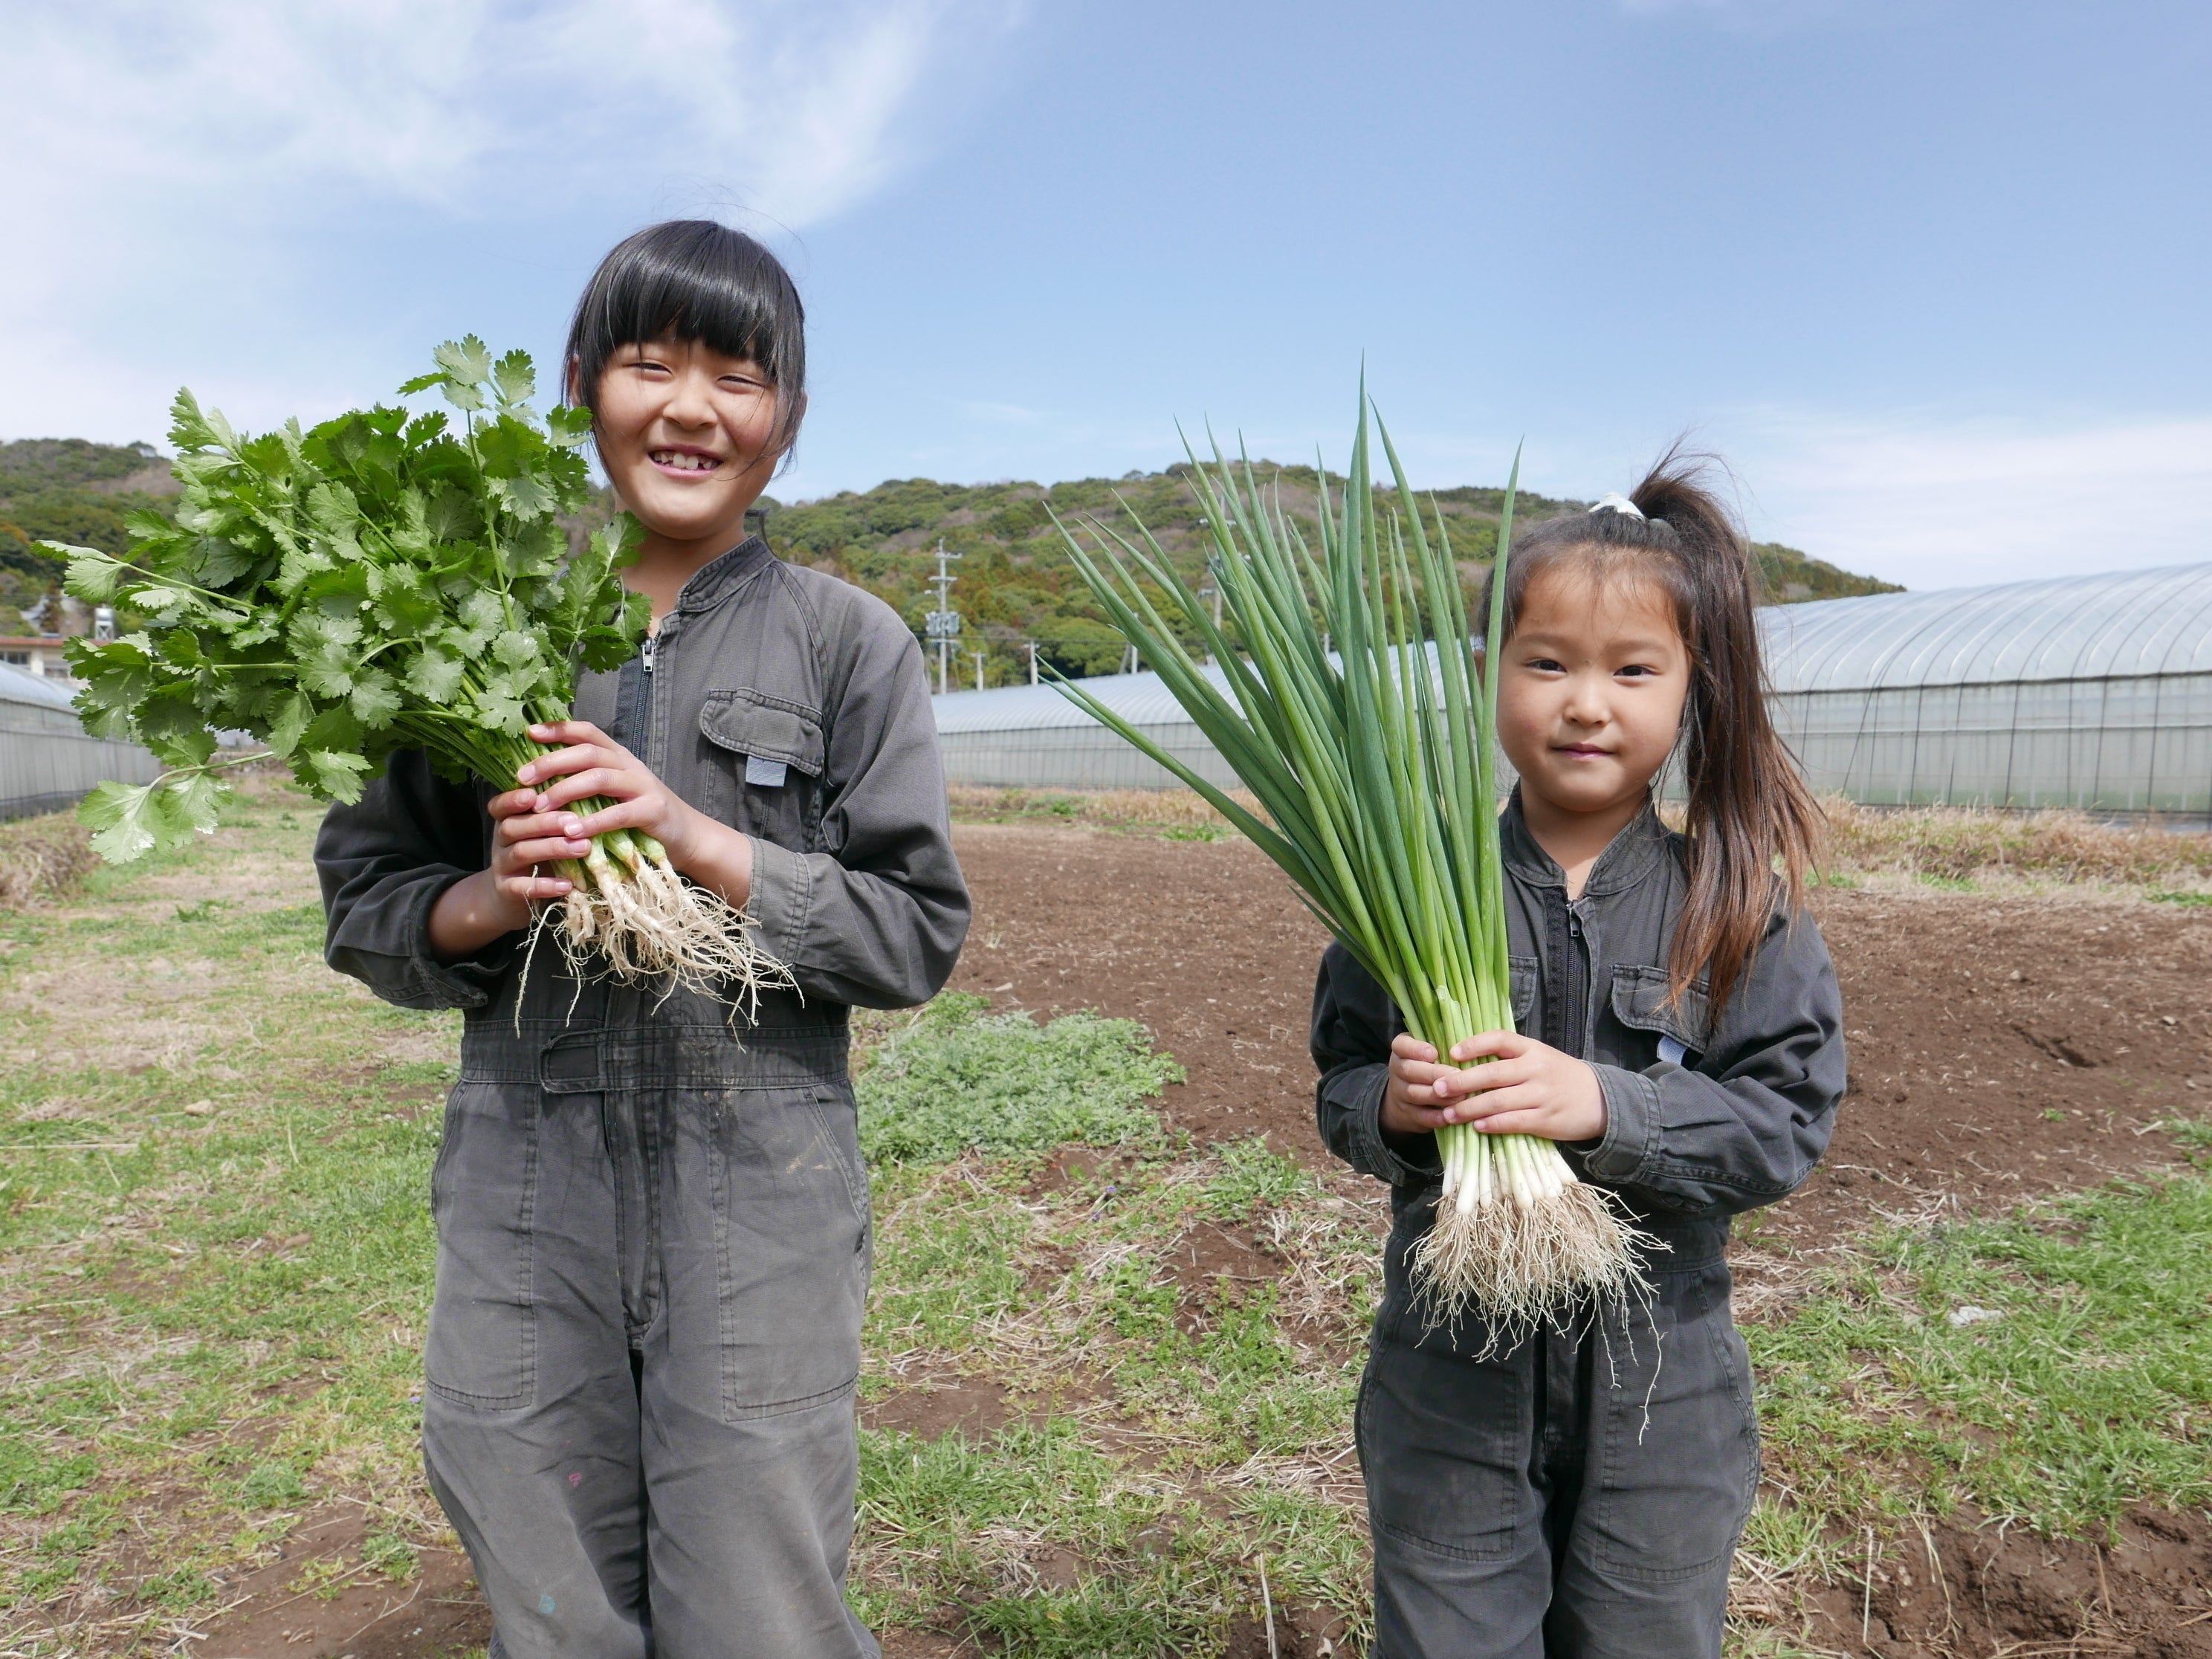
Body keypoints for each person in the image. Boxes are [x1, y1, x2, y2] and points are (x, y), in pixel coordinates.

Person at [316, 220, 969, 1659]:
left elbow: (919, 934)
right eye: (647, 361)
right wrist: (488, 896)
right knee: (541, 1563)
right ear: (576, 388)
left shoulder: (850, 644)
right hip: (523, 1178)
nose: (688, 404)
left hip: (764, 1186)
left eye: (736, 374)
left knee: (762, 1597)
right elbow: (363, 898)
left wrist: (698, 841)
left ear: (785, 423)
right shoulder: (475, 624)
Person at [1312, 456, 1845, 1658]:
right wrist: (1391, 1109)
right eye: (1546, 662)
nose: (1586, 702)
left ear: (1692, 689)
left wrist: (1603, 1105)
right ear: (1490, 679)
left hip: (1665, 1396)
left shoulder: (1738, 902)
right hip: (1451, 1384)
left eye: (1633, 670)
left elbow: (1786, 1124)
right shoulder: (1401, 887)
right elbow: (1338, 1081)